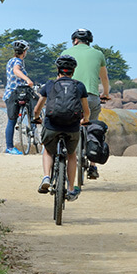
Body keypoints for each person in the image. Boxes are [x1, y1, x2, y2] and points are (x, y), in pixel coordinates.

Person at [33, 55, 90, 201]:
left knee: (48, 150)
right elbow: (86, 110)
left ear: (58, 69)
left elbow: (37, 108)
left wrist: (37, 118)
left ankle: (46, 177)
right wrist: (85, 120)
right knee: (71, 154)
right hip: (72, 127)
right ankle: (71, 188)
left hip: (52, 125)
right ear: (73, 71)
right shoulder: (79, 86)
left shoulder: (50, 85)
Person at [63, 28, 110, 179]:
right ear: (89, 41)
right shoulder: (98, 54)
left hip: (69, 97)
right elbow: (104, 78)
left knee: (68, 125)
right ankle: (92, 166)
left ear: (75, 40)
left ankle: (64, 154)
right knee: (92, 127)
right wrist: (106, 94)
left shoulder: (66, 53)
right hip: (91, 97)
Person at [2, 39, 35, 155]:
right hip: (15, 94)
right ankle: (10, 147)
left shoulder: (10, 60)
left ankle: (10, 147)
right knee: (12, 121)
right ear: (24, 51)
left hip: (11, 94)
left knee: (12, 120)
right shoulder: (17, 62)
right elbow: (16, 71)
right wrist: (27, 79)